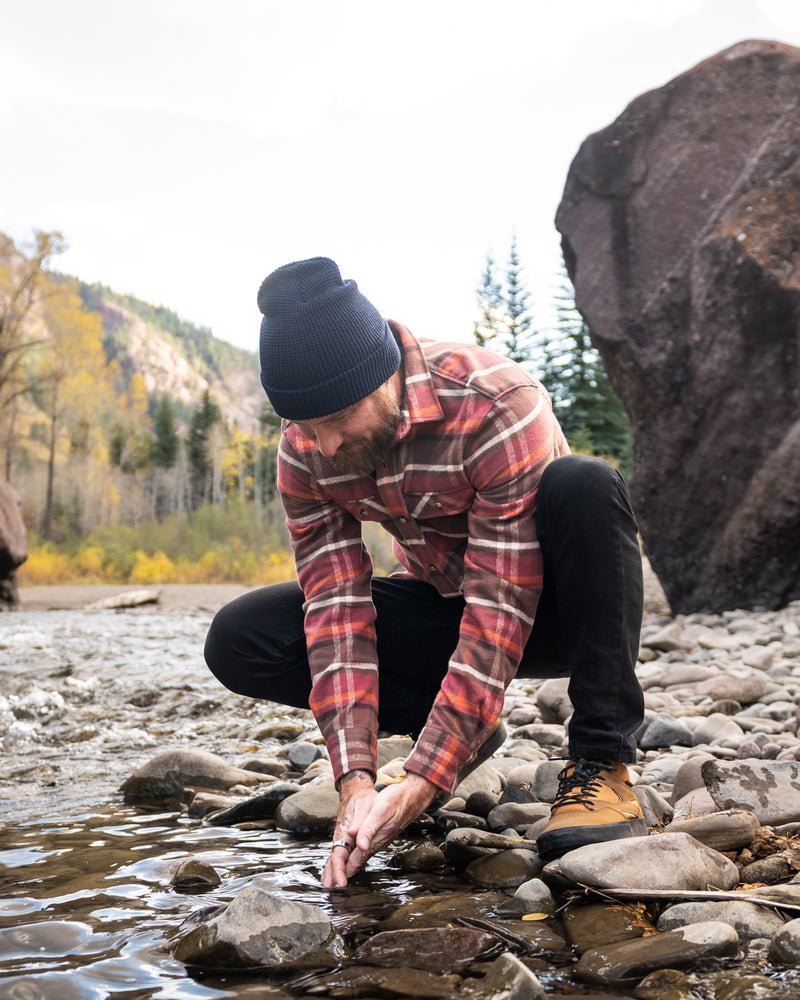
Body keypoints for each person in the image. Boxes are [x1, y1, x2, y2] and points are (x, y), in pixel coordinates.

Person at [204, 256, 647, 889]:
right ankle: (462, 732)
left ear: (383, 376)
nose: (324, 446)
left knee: (586, 484)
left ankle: (602, 763)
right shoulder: (305, 447)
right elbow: (335, 611)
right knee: (242, 636)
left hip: (553, 612)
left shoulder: (495, 403)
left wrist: (425, 780)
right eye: (306, 426)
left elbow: (500, 605)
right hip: (444, 603)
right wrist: (356, 780)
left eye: (338, 421)